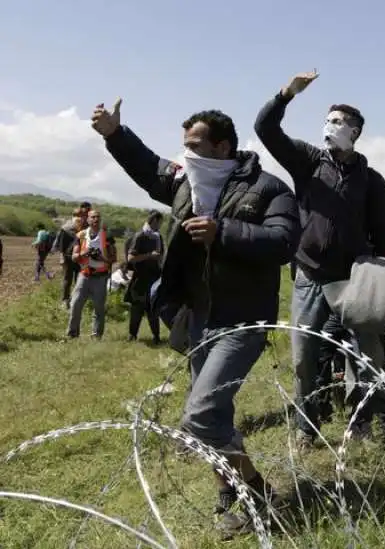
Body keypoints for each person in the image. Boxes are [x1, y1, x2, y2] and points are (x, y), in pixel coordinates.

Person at [92, 98, 300, 537]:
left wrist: (222, 232)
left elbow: (283, 241)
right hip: (199, 317)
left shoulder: (270, 189)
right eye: (183, 144)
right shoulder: (185, 182)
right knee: (215, 412)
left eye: (195, 144)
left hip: (242, 319)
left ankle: (260, 494)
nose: (185, 153)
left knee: (201, 416)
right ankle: (229, 489)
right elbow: (147, 167)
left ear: (223, 147)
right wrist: (114, 134)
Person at [254, 70, 385, 448]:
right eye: (328, 120)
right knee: (304, 357)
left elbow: (383, 233)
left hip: (356, 279)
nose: (330, 126)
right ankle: (306, 428)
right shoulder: (308, 161)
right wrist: (286, 94)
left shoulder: (371, 181)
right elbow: (265, 128)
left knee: (363, 357)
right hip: (310, 276)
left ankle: (360, 422)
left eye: (339, 122)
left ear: (355, 132)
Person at [66, 210, 116, 339]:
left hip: (101, 276)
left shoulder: (107, 236)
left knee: (99, 308)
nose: (96, 219)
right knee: (75, 304)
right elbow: (74, 257)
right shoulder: (81, 235)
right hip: (84, 274)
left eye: (98, 217)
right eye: (93, 217)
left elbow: (113, 258)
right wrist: (85, 253)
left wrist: (102, 258)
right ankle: (72, 333)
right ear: (87, 220)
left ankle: (96, 335)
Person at [125, 210, 164, 344]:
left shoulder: (158, 237)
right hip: (140, 278)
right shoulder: (140, 236)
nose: (160, 225)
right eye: (159, 222)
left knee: (153, 308)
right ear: (154, 221)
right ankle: (132, 335)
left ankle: (156, 336)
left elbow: (161, 256)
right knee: (137, 308)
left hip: (154, 278)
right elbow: (131, 258)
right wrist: (149, 255)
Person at [52, 208, 87, 308]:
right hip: (68, 257)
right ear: (74, 216)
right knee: (67, 279)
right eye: (79, 216)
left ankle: (76, 299)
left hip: (80, 257)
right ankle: (65, 300)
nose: (81, 218)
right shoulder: (66, 228)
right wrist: (63, 258)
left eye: (83, 216)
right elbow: (62, 245)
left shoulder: (84, 229)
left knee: (79, 280)